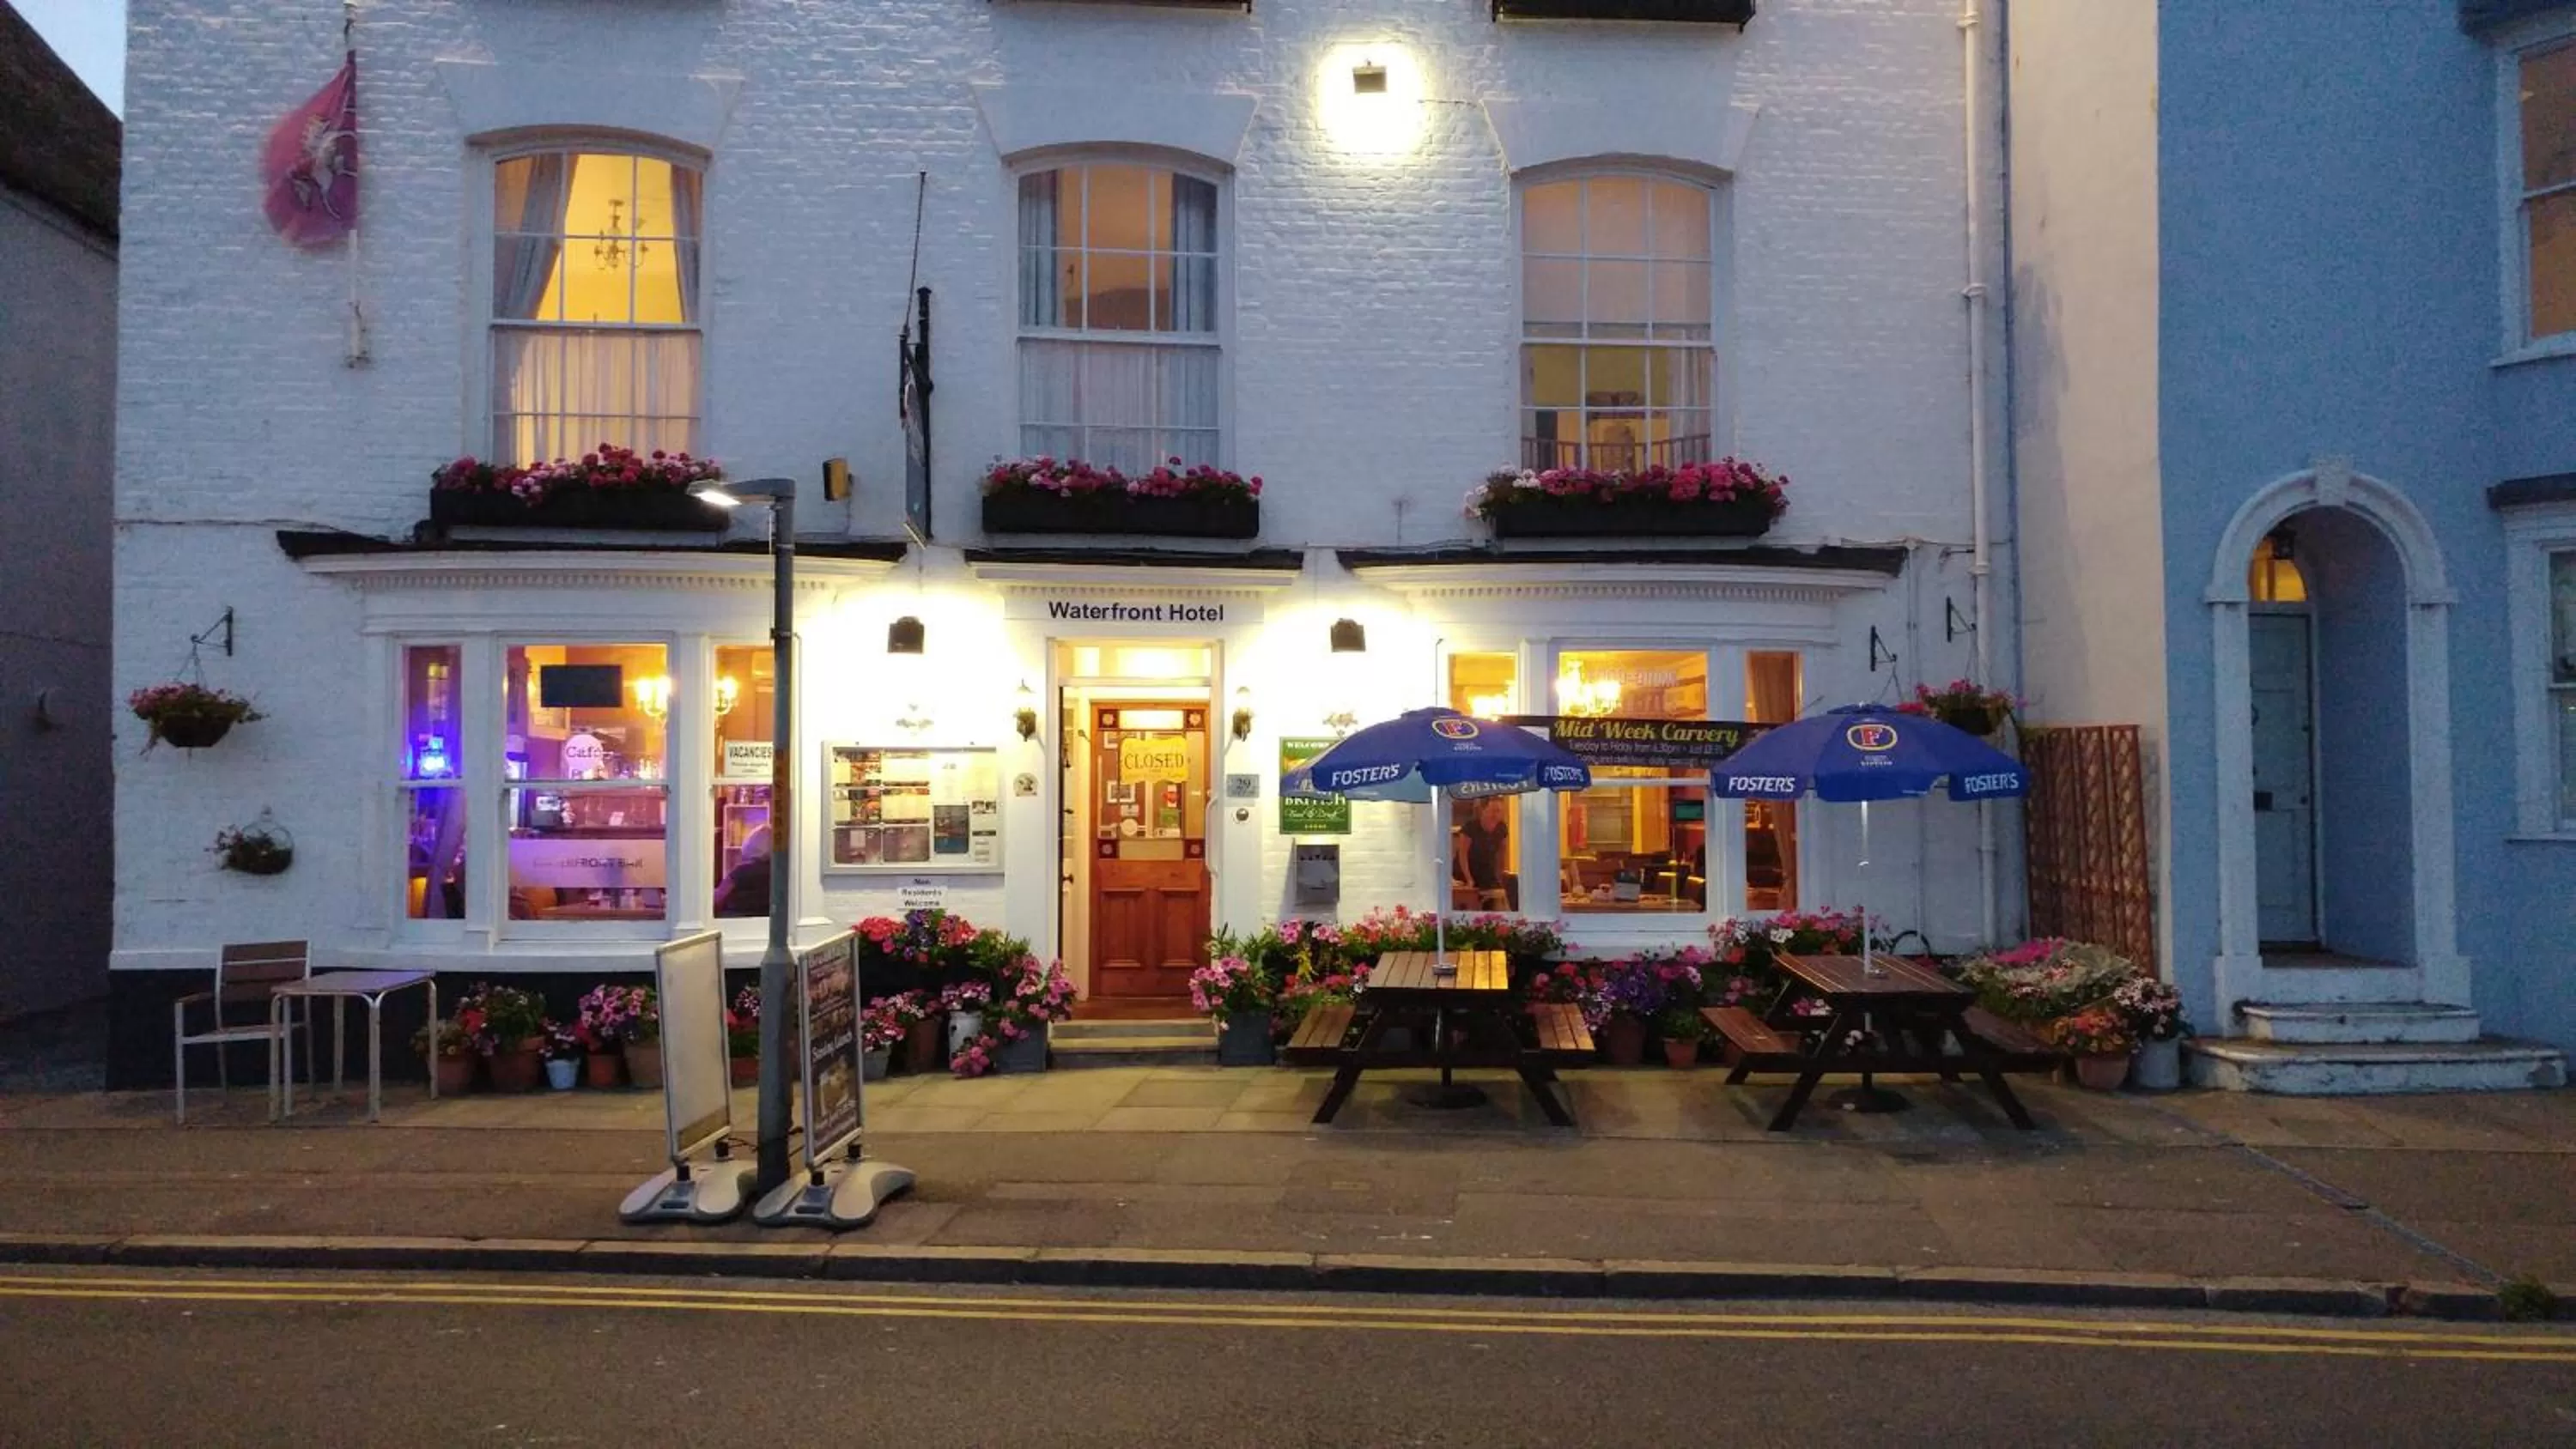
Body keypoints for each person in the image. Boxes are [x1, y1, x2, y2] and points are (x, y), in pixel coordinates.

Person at [1452, 797, 1516, 911]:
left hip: (1486, 870)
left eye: (1499, 811)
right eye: (1493, 810)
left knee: (1500, 896)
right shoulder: (1470, 827)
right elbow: (1463, 855)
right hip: (1465, 870)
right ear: (1483, 810)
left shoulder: (1502, 828)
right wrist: (1469, 879)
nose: (1496, 815)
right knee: (1471, 898)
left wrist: (1499, 874)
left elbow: (1501, 854)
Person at [713, 826, 771, 918]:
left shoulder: (742, 871)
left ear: (751, 844)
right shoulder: (776, 872)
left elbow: (717, 899)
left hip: (735, 921)